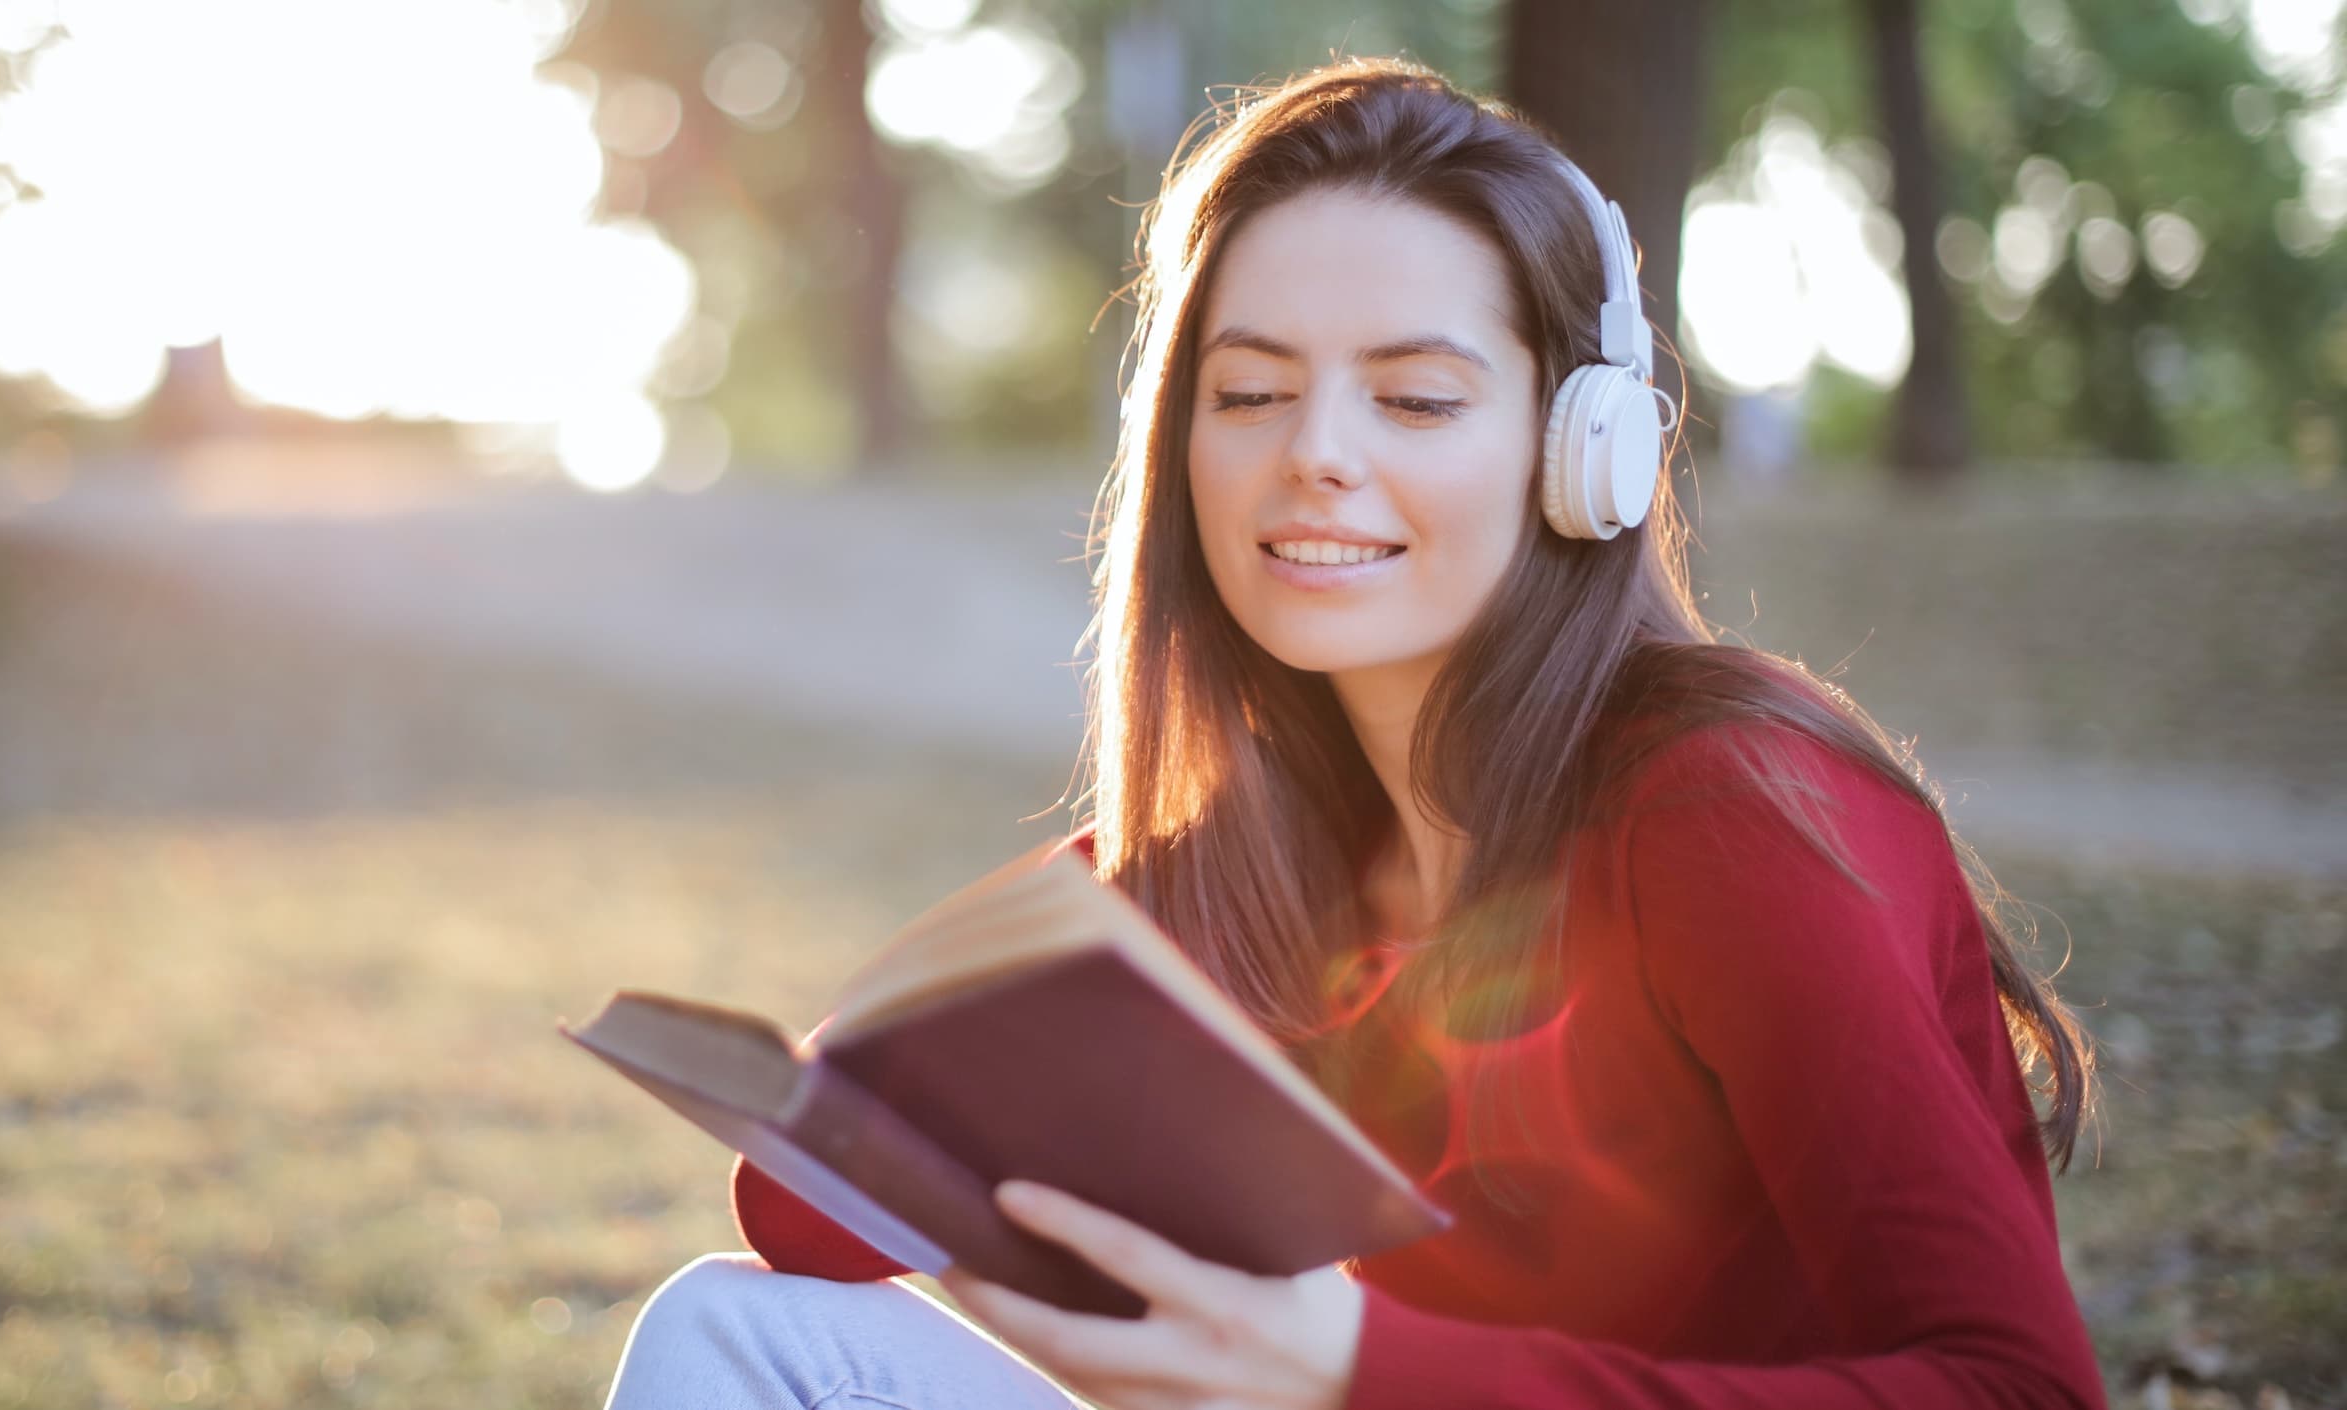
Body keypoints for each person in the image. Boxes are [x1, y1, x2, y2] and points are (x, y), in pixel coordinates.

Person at [601, 56, 2106, 1410]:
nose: (1315, 455)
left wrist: (1358, 1371)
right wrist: (1097, 912)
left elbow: (2021, 1389)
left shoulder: (1732, 807)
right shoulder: (1265, 864)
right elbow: (795, 1214)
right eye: (1249, 391)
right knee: (735, 1333)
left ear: (1584, 452)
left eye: (1417, 399)